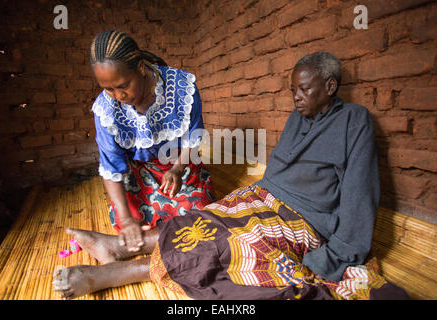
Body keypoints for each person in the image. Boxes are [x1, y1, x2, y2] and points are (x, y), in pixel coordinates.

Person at [53, 52, 408, 300]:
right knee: (209, 217)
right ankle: (120, 245)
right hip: (269, 194)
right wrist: (251, 201)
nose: (297, 98)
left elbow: (361, 195)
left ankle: (115, 274)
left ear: (331, 87)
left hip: (307, 217)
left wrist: (336, 255)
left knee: (227, 242)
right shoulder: (299, 116)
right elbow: (278, 176)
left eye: (305, 90)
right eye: (293, 90)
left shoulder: (354, 122)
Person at [88, 30, 214, 253]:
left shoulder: (181, 87)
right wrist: (127, 221)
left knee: (200, 212)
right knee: (127, 217)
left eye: (123, 85)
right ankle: (154, 237)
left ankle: (124, 248)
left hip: (180, 166)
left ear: (141, 68)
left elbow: (194, 137)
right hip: (138, 172)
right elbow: (111, 166)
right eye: (108, 88)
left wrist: (177, 169)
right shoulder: (105, 109)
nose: (118, 96)